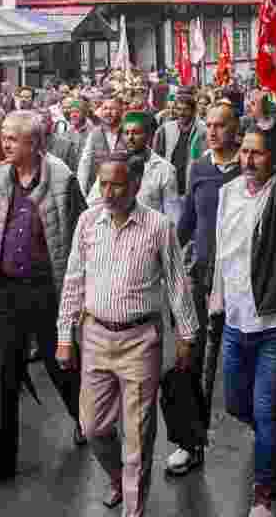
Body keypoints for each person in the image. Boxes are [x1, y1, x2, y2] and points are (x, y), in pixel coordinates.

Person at [57, 153, 197, 516]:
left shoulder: (158, 226)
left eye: (117, 183)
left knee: (136, 437)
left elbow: (178, 284)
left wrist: (186, 334)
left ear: (135, 185)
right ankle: (119, 478)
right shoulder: (88, 222)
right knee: (93, 427)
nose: (108, 191)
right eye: (103, 183)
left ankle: (133, 508)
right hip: (95, 337)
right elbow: (74, 280)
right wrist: (64, 335)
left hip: (140, 340)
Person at [0, 111, 87, 493]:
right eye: (3, 138)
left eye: (12, 139)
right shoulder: (1, 175)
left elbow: (83, 234)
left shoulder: (63, 180)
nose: (5, 145)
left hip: (47, 291)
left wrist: (84, 293)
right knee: (2, 375)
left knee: (59, 365)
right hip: (4, 291)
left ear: (34, 143)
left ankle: (86, 419)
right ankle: (0, 462)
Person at [212, 128, 276, 517]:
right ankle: (270, 433)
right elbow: (223, 248)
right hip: (237, 322)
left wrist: (268, 118)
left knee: (266, 407)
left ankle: (265, 494)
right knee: (238, 405)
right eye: (244, 152)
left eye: (257, 153)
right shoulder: (229, 193)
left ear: (273, 158)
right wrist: (216, 298)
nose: (247, 160)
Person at [166, 102, 243, 476]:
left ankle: (263, 421)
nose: (212, 132)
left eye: (221, 125)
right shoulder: (198, 168)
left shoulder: (251, 166)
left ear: (236, 128)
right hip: (203, 274)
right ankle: (190, 442)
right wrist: (169, 258)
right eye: (209, 125)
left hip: (243, 280)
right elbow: (187, 221)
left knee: (241, 359)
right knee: (192, 359)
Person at [152, 92, 205, 201]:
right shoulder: (165, 129)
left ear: (193, 111)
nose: (181, 113)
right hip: (170, 187)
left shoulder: (202, 131)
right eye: (179, 109)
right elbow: (156, 157)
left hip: (192, 187)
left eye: (185, 109)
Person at [78, 96, 125, 197]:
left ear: (121, 111)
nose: (108, 112)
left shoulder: (128, 132)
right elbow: (85, 162)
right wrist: (81, 189)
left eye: (112, 109)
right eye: (105, 109)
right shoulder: (95, 133)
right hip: (99, 188)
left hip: (123, 188)